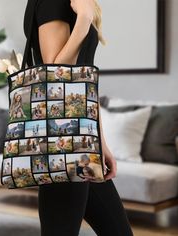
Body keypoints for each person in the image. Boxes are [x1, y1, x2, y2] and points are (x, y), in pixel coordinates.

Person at [23, 0, 134, 235]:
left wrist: (100, 142)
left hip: (82, 142)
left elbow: (85, 82)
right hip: (62, 144)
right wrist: (84, 19)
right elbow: (58, 78)